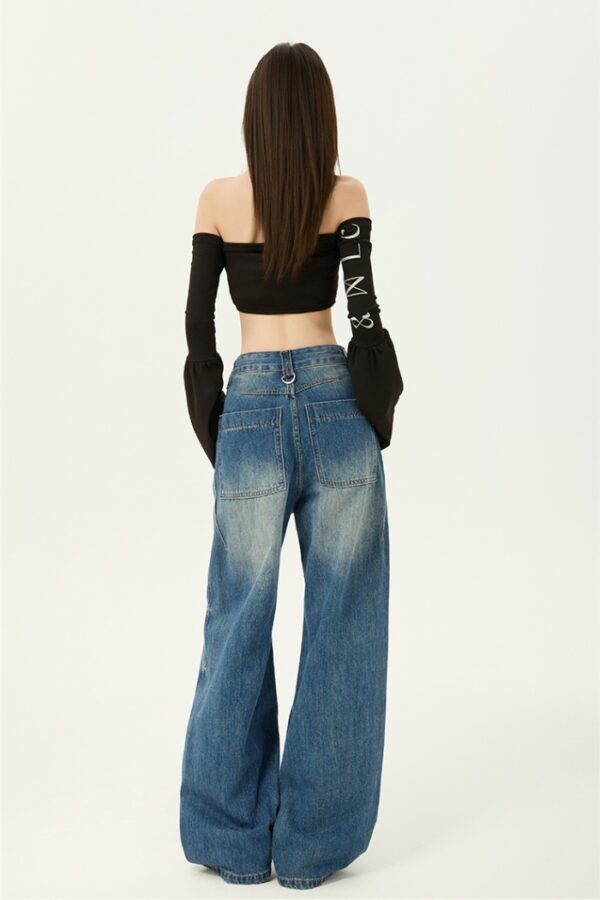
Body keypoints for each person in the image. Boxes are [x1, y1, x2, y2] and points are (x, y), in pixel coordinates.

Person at [179, 42, 404, 891]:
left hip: (250, 406)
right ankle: (313, 849)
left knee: (235, 620)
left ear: (255, 117)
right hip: (334, 402)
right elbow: (365, 319)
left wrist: (221, 425)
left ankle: (231, 837)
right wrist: (372, 419)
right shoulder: (346, 196)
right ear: (320, 117)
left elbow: (198, 329)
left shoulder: (218, 199)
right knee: (347, 623)